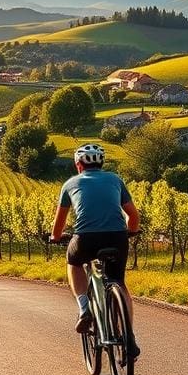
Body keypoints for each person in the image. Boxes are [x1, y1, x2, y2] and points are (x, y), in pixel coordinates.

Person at [50, 143, 141, 358]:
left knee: (73, 262)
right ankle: (128, 337)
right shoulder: (115, 180)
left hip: (85, 238)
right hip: (117, 237)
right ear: (102, 163)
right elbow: (133, 216)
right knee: (119, 283)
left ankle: (84, 308)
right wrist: (131, 231)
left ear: (78, 165)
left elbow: (58, 224)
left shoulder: (70, 184)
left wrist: (55, 238)